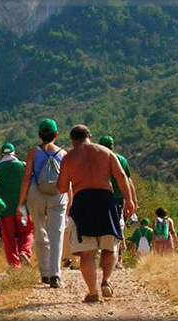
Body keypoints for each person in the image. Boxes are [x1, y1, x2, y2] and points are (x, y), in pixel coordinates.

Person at [57, 125, 135, 303]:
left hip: (83, 201)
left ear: (72, 140)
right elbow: (122, 176)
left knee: (87, 253)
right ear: (89, 136)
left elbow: (62, 188)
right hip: (106, 200)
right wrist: (129, 199)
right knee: (109, 246)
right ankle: (106, 280)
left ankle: (92, 292)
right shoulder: (105, 152)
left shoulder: (69, 157)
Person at [17, 119, 69, 288]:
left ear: (39, 134)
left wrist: (21, 202)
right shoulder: (64, 154)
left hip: (35, 192)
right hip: (58, 194)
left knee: (39, 230)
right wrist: (70, 201)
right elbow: (68, 181)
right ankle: (55, 274)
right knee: (57, 233)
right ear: (56, 134)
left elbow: (26, 177)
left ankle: (44, 273)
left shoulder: (33, 152)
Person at [98, 135, 138, 269]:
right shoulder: (121, 159)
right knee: (117, 227)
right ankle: (118, 258)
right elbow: (128, 180)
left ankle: (100, 256)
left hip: (99, 197)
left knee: (100, 227)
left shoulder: (95, 159)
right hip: (117, 198)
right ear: (112, 146)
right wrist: (132, 200)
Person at [0, 142, 34, 268]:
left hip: (5, 211)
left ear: (1, 155)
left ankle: (14, 265)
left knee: (9, 239)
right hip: (23, 209)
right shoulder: (23, 166)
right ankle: (24, 252)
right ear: (14, 154)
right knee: (27, 232)